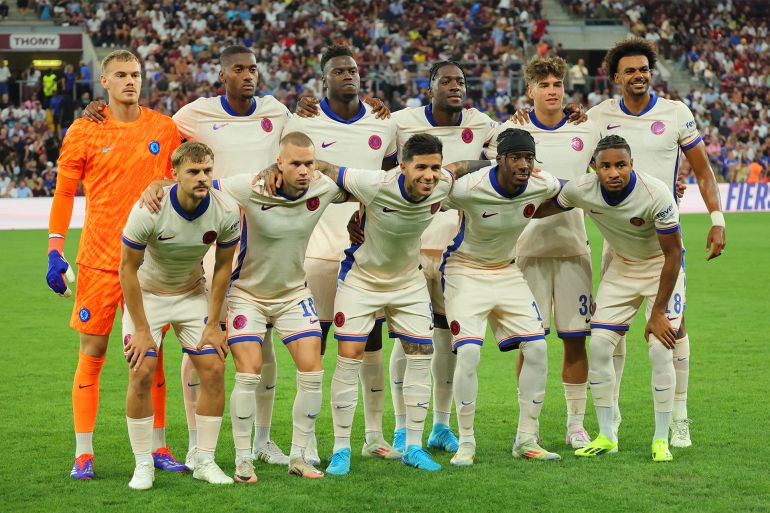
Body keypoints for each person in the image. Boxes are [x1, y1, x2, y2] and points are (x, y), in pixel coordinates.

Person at [45, 50, 182, 480]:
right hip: (100, 260)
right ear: (104, 80)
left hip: (150, 263)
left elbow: (178, 183)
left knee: (151, 356)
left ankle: (159, 446)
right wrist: (54, 249)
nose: (130, 81)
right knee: (94, 352)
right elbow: (65, 194)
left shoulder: (164, 128)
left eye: (136, 74)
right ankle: (83, 452)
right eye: (120, 74)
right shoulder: (84, 130)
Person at [587, 38, 726, 447]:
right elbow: (568, 144)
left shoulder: (675, 113)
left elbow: (702, 170)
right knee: (610, 332)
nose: (638, 75)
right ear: (616, 77)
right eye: (629, 70)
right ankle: (610, 417)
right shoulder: (598, 116)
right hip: (617, 244)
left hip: (665, 242)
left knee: (672, 330)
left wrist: (716, 219)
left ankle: (678, 416)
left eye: (644, 69)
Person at [322, 134, 482, 475]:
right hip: (361, 281)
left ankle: (412, 446)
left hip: (408, 283)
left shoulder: (442, 183)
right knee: (349, 360)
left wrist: (504, 165)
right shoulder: (375, 183)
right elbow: (326, 168)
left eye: (434, 167)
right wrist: (274, 171)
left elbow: (464, 167)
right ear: (403, 165)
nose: (429, 175)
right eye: (421, 167)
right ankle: (341, 449)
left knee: (421, 357)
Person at [285, 45, 400, 465]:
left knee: (369, 346)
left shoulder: (382, 124)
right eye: (338, 71)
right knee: (315, 348)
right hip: (317, 252)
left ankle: (373, 435)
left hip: (368, 254)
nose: (348, 75)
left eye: (352, 69)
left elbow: (389, 181)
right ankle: (309, 440)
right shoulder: (301, 122)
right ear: (323, 80)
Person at [538, 135, 684, 462]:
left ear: (632, 164)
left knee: (661, 349)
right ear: (595, 168)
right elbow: (545, 207)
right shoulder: (582, 188)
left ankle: (661, 439)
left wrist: (657, 312)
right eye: (606, 165)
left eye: (621, 164)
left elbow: (673, 255)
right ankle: (607, 435)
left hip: (660, 268)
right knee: (600, 346)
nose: (614, 172)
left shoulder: (655, 193)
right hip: (621, 269)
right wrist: (513, 203)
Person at [215, 132, 349, 481]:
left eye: (309, 163)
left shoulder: (323, 188)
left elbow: (366, 187)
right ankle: (243, 458)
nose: (304, 171)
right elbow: (201, 185)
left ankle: (299, 456)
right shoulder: (251, 186)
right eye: (295, 164)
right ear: (279, 163)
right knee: (249, 373)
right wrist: (158, 185)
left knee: (313, 372)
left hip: (293, 294)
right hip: (247, 293)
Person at [486, 56, 600, 448]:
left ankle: (575, 425)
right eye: (544, 84)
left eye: (557, 84)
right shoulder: (510, 132)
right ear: (530, 90)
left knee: (575, 339)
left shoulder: (586, 131)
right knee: (530, 342)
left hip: (573, 249)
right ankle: (527, 427)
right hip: (527, 252)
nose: (552, 91)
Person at [387, 61, 498, 454]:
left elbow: (512, 157)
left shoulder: (481, 124)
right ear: (429, 85)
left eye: (461, 81)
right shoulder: (401, 122)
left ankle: (439, 425)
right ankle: (402, 426)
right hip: (410, 246)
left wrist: (465, 168)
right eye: (446, 80)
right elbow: (378, 166)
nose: (455, 87)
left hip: (457, 248)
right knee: (407, 338)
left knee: (447, 336)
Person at [120, 142, 240, 489]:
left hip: (191, 295)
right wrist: (141, 329)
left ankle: (204, 460)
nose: (202, 178)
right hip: (148, 296)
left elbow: (221, 268)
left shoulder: (224, 210)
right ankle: (143, 463)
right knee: (141, 371)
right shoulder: (148, 209)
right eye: (193, 171)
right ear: (175, 175)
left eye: (207, 171)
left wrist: (217, 324)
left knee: (214, 367)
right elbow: (126, 269)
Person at [444, 128, 564, 465]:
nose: (524, 164)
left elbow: (572, 192)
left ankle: (526, 439)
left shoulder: (542, 183)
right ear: (500, 160)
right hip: (464, 269)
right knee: (467, 352)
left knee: (538, 347)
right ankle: (465, 442)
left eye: (529, 158)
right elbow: (424, 196)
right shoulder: (472, 186)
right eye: (516, 157)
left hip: (507, 271)